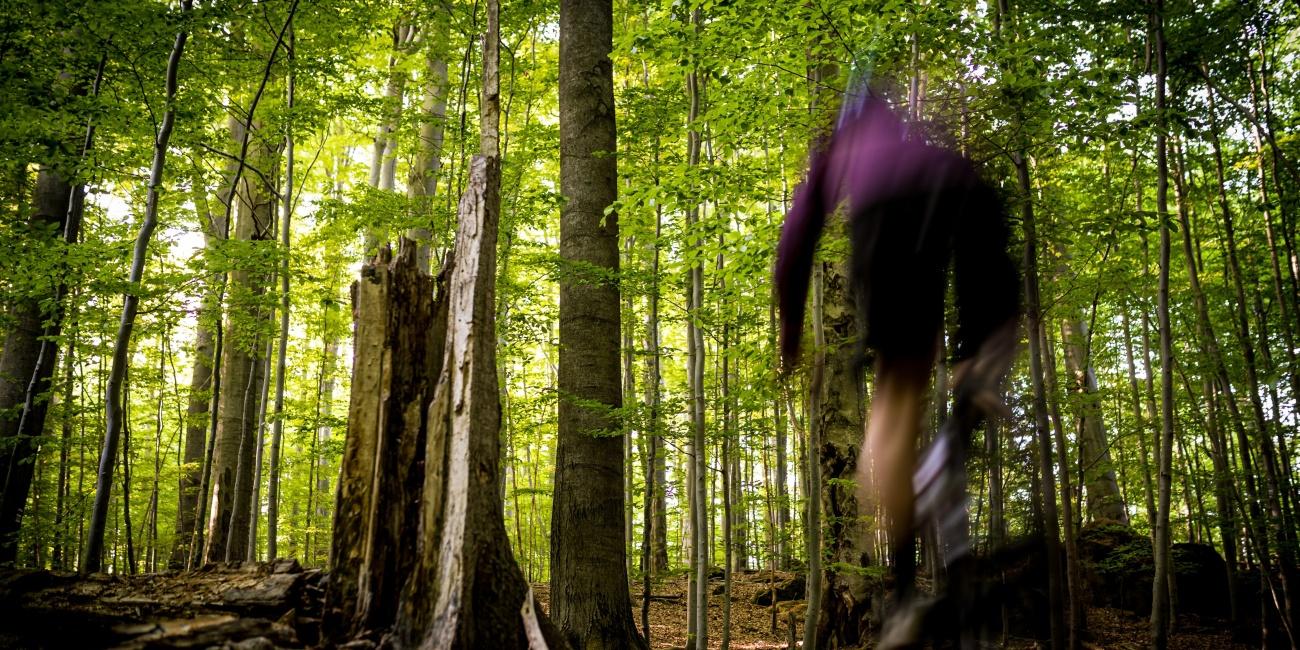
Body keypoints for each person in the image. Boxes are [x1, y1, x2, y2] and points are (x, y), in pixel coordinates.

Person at [775, 94, 1020, 648]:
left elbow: (795, 244)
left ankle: (905, 596)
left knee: (896, 395)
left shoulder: (841, 149)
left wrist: (790, 334)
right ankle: (977, 360)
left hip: (886, 218)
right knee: (987, 283)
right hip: (962, 189)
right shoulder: (920, 147)